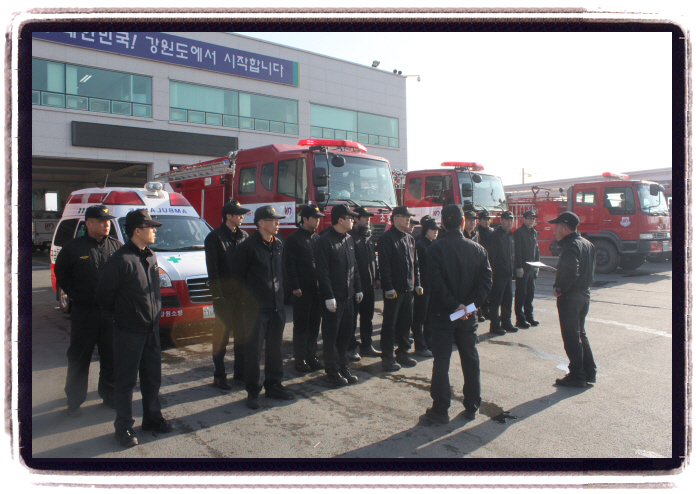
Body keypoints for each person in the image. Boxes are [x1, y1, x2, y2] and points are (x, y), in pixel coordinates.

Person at [96, 209, 174, 448]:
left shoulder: (150, 256)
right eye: (150, 227)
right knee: (126, 382)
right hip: (128, 331)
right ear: (137, 231)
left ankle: (152, 418)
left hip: (151, 330)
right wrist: (121, 319)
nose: (154, 231)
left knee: (152, 378)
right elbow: (104, 296)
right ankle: (124, 428)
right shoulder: (121, 260)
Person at [425, 205, 492, 424]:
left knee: (442, 361)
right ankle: (472, 405)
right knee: (470, 359)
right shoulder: (478, 249)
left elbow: (435, 282)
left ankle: (440, 409)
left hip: (443, 314)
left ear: (442, 223)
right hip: (466, 316)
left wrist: (455, 306)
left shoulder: (435, 248)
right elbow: (486, 283)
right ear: (463, 222)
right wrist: (467, 308)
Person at [54, 205, 122, 417]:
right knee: (79, 357)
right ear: (89, 224)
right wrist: (76, 294)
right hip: (84, 312)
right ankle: (74, 401)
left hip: (109, 313)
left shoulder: (116, 246)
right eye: (101, 221)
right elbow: (61, 274)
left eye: (108, 221)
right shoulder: (73, 248)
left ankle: (109, 394)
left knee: (111, 356)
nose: (106, 225)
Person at [231, 205, 294, 409]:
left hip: (276, 308)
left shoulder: (279, 244)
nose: (277, 224)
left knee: (275, 350)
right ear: (260, 223)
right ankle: (252, 391)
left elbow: (282, 273)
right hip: (255, 311)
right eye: (273, 220)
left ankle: (274, 384)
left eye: (278, 220)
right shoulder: (247, 247)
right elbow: (236, 279)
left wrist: (283, 297)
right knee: (253, 352)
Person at [314, 204, 362, 387]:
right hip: (333, 298)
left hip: (348, 296)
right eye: (350, 218)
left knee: (345, 335)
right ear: (340, 220)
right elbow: (322, 272)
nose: (353, 221)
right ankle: (332, 371)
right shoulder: (324, 241)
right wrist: (328, 295)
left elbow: (354, 266)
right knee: (331, 337)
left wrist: (358, 288)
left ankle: (343, 367)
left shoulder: (349, 239)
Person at [204, 200, 250, 390]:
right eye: (238, 214)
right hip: (224, 296)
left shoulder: (244, 236)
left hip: (241, 296)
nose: (242, 217)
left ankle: (240, 373)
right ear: (228, 216)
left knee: (241, 335)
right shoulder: (214, 237)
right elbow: (213, 270)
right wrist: (217, 296)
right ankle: (219, 375)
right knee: (221, 337)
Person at [549, 212, 597, 387]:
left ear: (565, 228)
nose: (555, 230)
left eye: (557, 226)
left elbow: (571, 270)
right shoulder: (587, 244)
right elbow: (583, 270)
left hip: (571, 296)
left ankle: (577, 375)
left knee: (571, 337)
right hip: (584, 294)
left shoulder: (570, 245)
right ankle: (589, 371)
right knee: (580, 334)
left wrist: (559, 287)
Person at [378, 205, 422, 371]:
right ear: (395, 218)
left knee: (406, 322)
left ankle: (403, 352)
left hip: (408, 288)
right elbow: (384, 265)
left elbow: (415, 264)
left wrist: (417, 283)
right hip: (394, 290)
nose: (408, 220)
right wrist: (388, 286)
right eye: (405, 217)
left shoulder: (410, 239)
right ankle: (387, 356)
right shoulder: (387, 238)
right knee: (390, 324)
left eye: (409, 217)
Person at [284, 204, 325, 373]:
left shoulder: (317, 239)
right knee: (302, 326)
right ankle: (300, 359)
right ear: (305, 219)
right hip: (302, 290)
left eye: (318, 218)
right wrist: (295, 286)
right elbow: (289, 265)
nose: (317, 221)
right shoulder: (293, 239)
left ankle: (311, 356)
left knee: (315, 324)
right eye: (314, 218)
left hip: (316, 289)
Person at [347, 206, 381, 359]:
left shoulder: (368, 236)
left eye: (369, 217)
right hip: (355, 286)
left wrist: (377, 277)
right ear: (355, 219)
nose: (368, 220)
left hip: (369, 284)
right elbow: (350, 264)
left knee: (367, 317)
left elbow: (373, 259)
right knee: (352, 319)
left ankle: (367, 345)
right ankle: (351, 347)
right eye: (365, 217)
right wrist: (354, 285)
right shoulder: (350, 237)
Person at [410, 215, 440, 357]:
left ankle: (429, 343)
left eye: (437, 230)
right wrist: (418, 284)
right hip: (423, 287)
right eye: (433, 230)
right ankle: (420, 346)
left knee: (430, 317)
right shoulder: (420, 245)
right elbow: (417, 266)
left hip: (433, 287)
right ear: (426, 230)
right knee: (420, 318)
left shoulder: (435, 244)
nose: (435, 232)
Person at [487, 210, 517, 335]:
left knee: (508, 299)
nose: (510, 223)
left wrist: (513, 270)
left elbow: (512, 255)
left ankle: (506, 322)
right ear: (502, 221)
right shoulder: (495, 236)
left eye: (511, 220)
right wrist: (492, 275)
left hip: (508, 274)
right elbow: (492, 257)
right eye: (507, 220)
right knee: (495, 301)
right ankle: (495, 325)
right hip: (498, 275)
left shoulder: (510, 235)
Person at [513, 209, 541, 329]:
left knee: (530, 294)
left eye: (533, 219)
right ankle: (520, 319)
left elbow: (536, 250)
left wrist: (537, 265)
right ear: (523, 219)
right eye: (529, 218)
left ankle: (529, 317)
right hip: (523, 269)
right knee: (521, 294)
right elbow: (517, 251)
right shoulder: (518, 232)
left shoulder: (533, 232)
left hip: (531, 268)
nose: (531, 221)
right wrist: (519, 267)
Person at [476, 210, 496, 323]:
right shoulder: (476, 232)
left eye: (488, 219)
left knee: (489, 287)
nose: (486, 221)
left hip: (490, 261)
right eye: (484, 219)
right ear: (479, 221)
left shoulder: (492, 232)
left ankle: (486, 310)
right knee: (480, 287)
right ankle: (479, 312)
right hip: (479, 262)